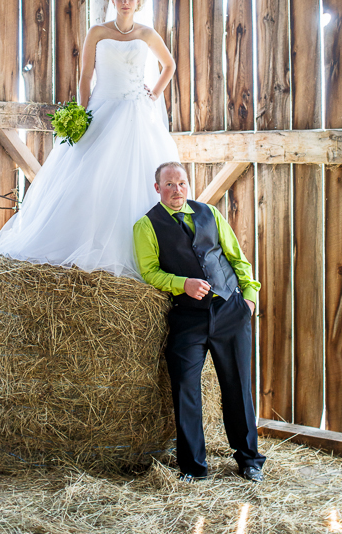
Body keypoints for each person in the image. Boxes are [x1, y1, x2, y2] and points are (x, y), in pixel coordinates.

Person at [0, 0, 179, 279]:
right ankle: (80, 241)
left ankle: (143, 252)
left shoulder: (147, 33)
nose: (124, 3)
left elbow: (169, 65)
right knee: (89, 177)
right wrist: (83, 111)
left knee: (135, 177)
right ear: (113, 0)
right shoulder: (98, 31)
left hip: (136, 110)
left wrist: (155, 92)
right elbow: (85, 77)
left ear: (138, 1)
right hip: (102, 107)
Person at [133, 161, 266, 482]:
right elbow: (150, 272)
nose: (176, 190)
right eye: (169, 185)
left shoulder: (210, 213)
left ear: (187, 185)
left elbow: (236, 257)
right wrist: (183, 284)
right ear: (157, 188)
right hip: (187, 317)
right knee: (185, 389)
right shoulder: (146, 226)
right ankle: (194, 468)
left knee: (237, 387)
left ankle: (249, 461)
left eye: (181, 184)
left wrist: (249, 297)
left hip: (230, 311)